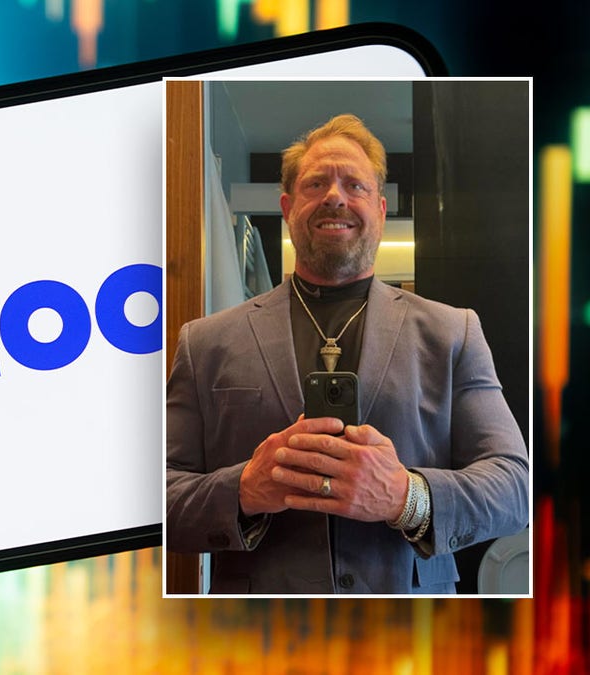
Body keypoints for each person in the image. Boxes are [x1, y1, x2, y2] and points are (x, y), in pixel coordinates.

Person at [164, 114, 529, 594]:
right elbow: (160, 494)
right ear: (288, 206)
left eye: (354, 184)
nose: (335, 195)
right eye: (316, 183)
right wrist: (245, 490)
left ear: (380, 210)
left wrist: (406, 496)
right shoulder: (206, 341)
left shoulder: (452, 331)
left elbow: (513, 486)